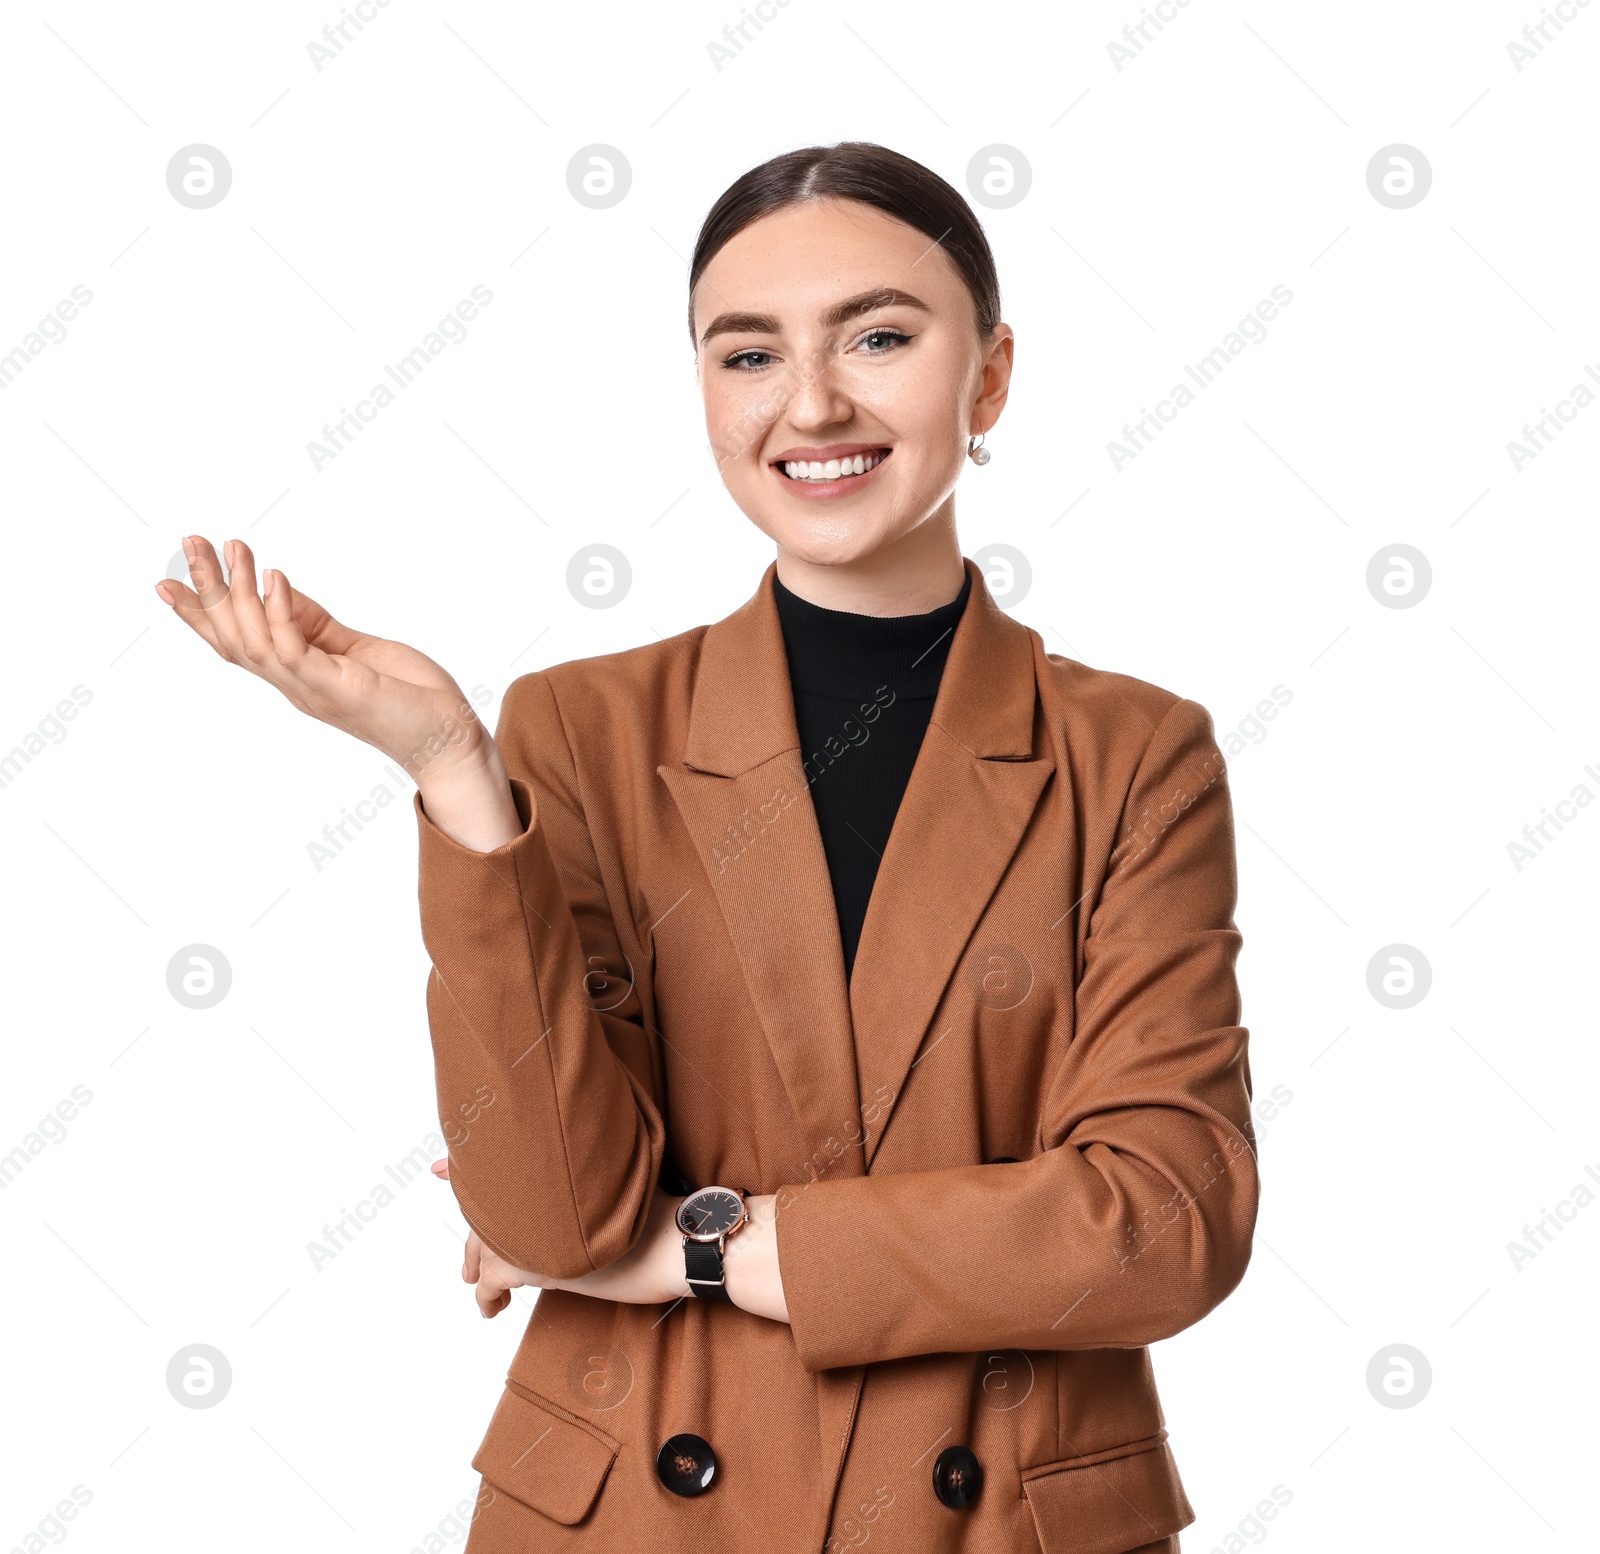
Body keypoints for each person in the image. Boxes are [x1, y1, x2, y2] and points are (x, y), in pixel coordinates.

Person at [154, 141, 1257, 1554]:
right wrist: (451, 773)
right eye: (748, 355)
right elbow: (556, 1219)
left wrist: (702, 1253)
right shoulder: (580, 727)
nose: (812, 404)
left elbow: (1164, 1216)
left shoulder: (1135, 753)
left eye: (879, 334)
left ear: (988, 376)